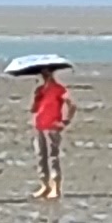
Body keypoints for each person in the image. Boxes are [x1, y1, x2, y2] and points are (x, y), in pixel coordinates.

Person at [30, 63, 73, 200]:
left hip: (52, 127)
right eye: (43, 73)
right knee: (40, 156)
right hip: (40, 126)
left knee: (52, 156)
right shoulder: (40, 90)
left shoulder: (59, 89)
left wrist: (65, 121)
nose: (44, 75)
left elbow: (71, 104)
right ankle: (44, 185)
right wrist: (36, 98)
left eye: (46, 72)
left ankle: (55, 187)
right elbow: (34, 109)